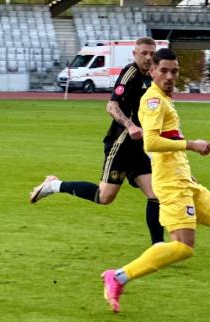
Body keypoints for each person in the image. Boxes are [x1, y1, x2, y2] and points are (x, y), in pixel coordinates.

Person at [101, 48, 210, 313]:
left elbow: (167, 141)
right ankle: (118, 276)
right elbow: (152, 141)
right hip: (171, 186)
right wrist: (192, 144)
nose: (170, 76)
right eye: (164, 71)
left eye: (174, 71)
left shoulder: (165, 100)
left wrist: (186, 169)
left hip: (185, 181)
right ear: (152, 71)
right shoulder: (153, 102)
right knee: (183, 247)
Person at [29, 37, 164, 245]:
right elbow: (111, 106)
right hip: (121, 144)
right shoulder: (130, 73)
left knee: (156, 195)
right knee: (104, 197)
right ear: (135, 54)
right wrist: (130, 126)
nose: (147, 57)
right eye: (143, 53)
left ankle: (158, 247)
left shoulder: (153, 79)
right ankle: (54, 185)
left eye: (151, 53)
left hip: (139, 146)